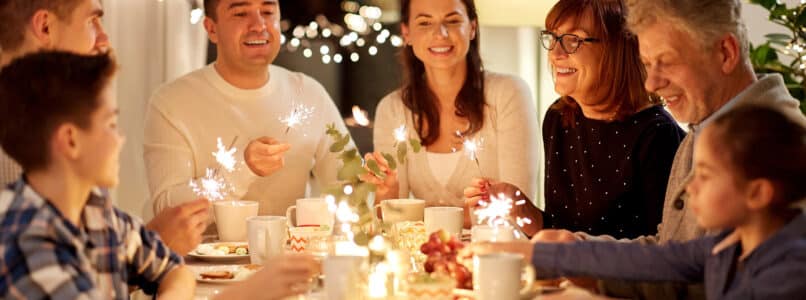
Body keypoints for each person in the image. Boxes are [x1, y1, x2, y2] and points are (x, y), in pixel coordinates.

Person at [530, 0, 806, 298]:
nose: (652, 83)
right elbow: (674, 254)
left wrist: (578, 258)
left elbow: (701, 276)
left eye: (667, 61)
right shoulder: (709, 124)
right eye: (647, 64)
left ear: (726, 53)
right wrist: (577, 251)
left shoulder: (776, 150)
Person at [475, 105, 806, 299]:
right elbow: (648, 261)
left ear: (758, 193)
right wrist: (539, 253)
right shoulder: (724, 246)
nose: (689, 186)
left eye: (704, 174)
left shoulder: (789, 275)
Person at [0, 0, 210, 255]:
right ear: (45, 27)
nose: (104, 41)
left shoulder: (73, 127)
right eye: (92, 22)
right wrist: (156, 245)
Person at [466, 0, 684, 238]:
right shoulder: (558, 118)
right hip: (567, 273)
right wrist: (519, 207)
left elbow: (663, 252)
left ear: (616, 48)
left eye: (573, 40)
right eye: (554, 38)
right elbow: (560, 232)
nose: (555, 54)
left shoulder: (657, 135)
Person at [0, 51, 195, 299]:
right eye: (111, 125)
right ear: (71, 140)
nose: (120, 140)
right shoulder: (28, 247)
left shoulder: (94, 207)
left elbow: (175, 270)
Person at [144, 0, 351, 218]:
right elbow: (168, 211)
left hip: (293, 251)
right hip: (198, 252)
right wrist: (242, 170)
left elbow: (349, 186)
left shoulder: (308, 93)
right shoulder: (172, 102)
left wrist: (379, 189)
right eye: (240, 13)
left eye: (268, 12)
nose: (259, 25)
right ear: (211, 29)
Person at [361, 0, 540, 228]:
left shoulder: (508, 94)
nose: (440, 33)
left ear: (472, 27)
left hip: (492, 255)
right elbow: (391, 219)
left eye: (453, 21)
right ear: (406, 33)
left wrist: (419, 217)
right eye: (425, 23)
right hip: (420, 259)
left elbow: (517, 209)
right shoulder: (392, 109)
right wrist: (386, 193)